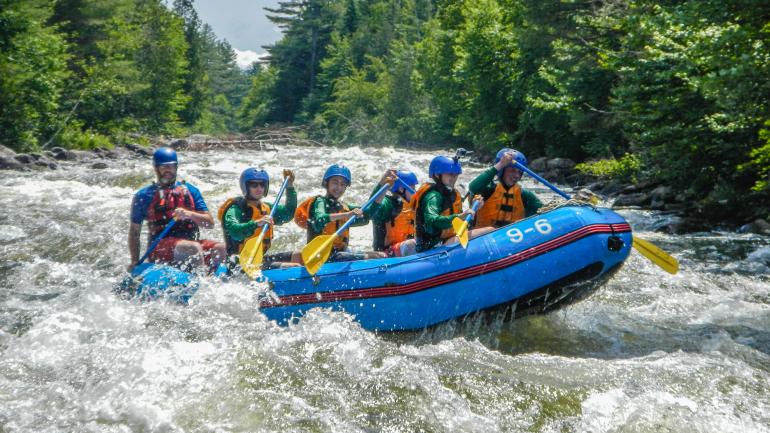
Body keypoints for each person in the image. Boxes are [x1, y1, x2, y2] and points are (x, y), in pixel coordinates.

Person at [128, 147, 226, 272]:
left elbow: (209, 223)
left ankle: (221, 281)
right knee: (193, 248)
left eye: (171, 166)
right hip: (160, 248)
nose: (167, 170)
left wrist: (190, 214)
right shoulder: (144, 195)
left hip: (190, 243)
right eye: (163, 167)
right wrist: (134, 261)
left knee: (222, 248)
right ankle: (202, 285)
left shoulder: (191, 191)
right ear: (156, 168)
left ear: (176, 167)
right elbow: (135, 232)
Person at [294, 164, 388, 262]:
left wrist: (383, 185)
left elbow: (368, 214)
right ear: (326, 183)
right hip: (321, 256)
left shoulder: (344, 207)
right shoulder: (319, 202)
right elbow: (319, 219)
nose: (339, 187)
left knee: (379, 255)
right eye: (335, 183)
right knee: (371, 257)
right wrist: (347, 215)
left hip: (340, 254)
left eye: (343, 184)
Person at [218, 168, 301, 270]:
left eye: (262, 184)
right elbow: (234, 231)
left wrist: (289, 187)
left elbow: (288, 213)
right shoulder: (236, 209)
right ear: (246, 187)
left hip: (259, 259)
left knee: (299, 256)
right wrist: (256, 224)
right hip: (238, 263)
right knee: (293, 267)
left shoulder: (266, 208)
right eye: (254, 185)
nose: (259, 188)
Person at [413, 155, 489, 252]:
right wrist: (460, 216)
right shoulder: (433, 196)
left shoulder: (454, 194)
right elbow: (433, 221)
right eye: (450, 174)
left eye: (456, 174)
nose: (454, 177)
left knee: (488, 230)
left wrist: (474, 208)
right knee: (489, 230)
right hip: (433, 246)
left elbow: (461, 224)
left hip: (448, 240)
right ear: (437, 175)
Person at [468, 148, 542, 228]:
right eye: (512, 170)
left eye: (519, 172)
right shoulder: (488, 189)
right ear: (501, 170)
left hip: (512, 237)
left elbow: (546, 210)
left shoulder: (525, 195)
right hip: (484, 236)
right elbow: (473, 187)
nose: (516, 175)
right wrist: (501, 164)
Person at [371, 169, 419, 257]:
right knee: (412, 244)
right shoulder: (388, 204)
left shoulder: (412, 205)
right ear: (401, 189)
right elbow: (373, 209)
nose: (415, 191)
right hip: (385, 253)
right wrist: (382, 185)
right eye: (412, 188)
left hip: (404, 250)